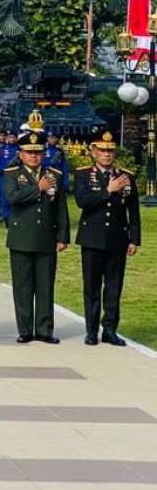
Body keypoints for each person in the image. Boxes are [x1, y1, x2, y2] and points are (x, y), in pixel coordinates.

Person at [72, 130, 139, 347]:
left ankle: (110, 329)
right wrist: (108, 191)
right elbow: (82, 201)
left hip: (117, 239)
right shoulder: (84, 174)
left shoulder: (126, 176)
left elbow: (133, 211)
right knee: (91, 287)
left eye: (110, 151)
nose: (106, 155)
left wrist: (134, 239)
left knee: (113, 286)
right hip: (92, 238)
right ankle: (91, 330)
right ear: (93, 152)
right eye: (102, 150)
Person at [3, 130, 68, 344]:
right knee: (22, 286)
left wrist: (62, 236)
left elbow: (61, 207)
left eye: (38, 152)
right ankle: (24, 329)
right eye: (29, 153)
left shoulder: (54, 175)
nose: (34, 157)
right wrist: (37, 189)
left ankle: (44, 330)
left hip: (46, 237)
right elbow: (12, 198)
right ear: (20, 154)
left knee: (45, 286)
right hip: (22, 237)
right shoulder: (12, 173)